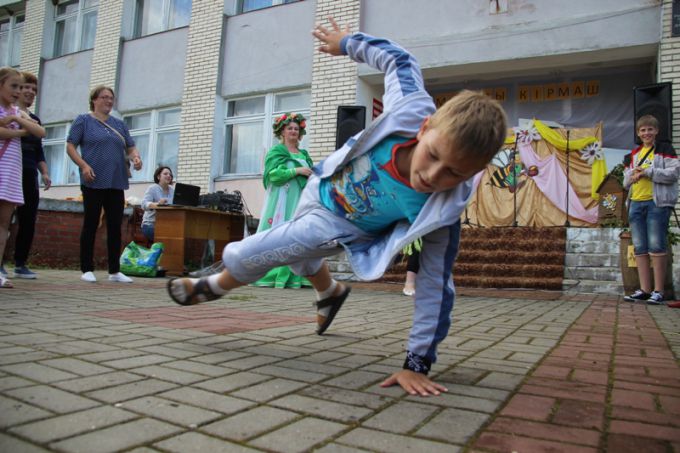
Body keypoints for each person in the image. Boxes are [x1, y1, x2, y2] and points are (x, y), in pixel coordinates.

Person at [167, 18, 507, 396]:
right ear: (425, 128)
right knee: (299, 255)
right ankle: (329, 292)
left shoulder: (441, 211)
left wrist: (417, 363)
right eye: (433, 156)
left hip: (343, 226)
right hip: (322, 186)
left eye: (454, 173)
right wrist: (347, 43)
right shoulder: (410, 110)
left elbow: (434, 288)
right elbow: (400, 62)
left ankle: (213, 286)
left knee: (269, 247)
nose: (432, 175)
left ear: (475, 173)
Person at [66, 85, 143, 284]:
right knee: (91, 223)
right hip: (93, 179)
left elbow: (131, 146)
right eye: (104, 97)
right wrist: (83, 165)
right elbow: (70, 146)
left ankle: (114, 271)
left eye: (111, 98)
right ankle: (87, 268)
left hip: (116, 180)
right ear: (94, 100)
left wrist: (136, 157)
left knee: (115, 225)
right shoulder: (83, 120)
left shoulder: (119, 124)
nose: (109, 101)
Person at [252, 112, 314, 289]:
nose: (293, 131)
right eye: (290, 128)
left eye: (296, 128)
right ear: (282, 132)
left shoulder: (304, 154)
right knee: (279, 233)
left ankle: (297, 276)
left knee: (299, 235)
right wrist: (297, 171)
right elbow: (274, 176)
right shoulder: (277, 152)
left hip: (300, 201)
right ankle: (273, 274)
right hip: (282, 201)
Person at [623, 114, 679, 305]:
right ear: (638, 133)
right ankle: (644, 290)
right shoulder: (633, 154)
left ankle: (659, 290)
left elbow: (673, 174)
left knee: (656, 245)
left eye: (650, 129)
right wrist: (632, 176)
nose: (646, 133)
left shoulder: (665, 150)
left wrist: (648, 172)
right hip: (636, 202)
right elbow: (625, 182)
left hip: (657, 202)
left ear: (656, 131)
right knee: (639, 247)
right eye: (643, 130)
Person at [0, 67, 45, 288]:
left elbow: (39, 135)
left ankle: (8, 267)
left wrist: (18, 120)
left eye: (24, 87)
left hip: (16, 172)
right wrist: (20, 130)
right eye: (15, 87)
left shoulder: (20, 114)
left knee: (9, 223)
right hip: (3, 167)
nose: (20, 91)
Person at [9, 71, 51, 279]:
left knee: (28, 218)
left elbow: (39, 149)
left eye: (34, 90)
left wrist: (44, 171)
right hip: (9, 169)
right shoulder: (9, 114)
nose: (30, 92)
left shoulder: (34, 120)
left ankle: (20, 262)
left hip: (28, 172)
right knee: (6, 218)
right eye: (26, 87)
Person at [141, 166, 175, 242]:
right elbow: (143, 204)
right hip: (150, 225)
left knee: (178, 234)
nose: (169, 176)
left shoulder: (173, 190)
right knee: (167, 238)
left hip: (166, 224)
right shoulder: (152, 188)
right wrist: (158, 204)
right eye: (165, 174)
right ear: (158, 176)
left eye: (170, 174)